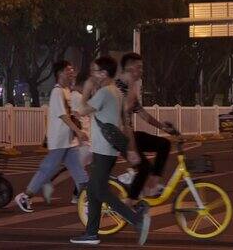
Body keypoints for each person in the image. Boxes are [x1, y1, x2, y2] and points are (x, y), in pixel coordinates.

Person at [70, 56, 150, 246]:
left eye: (95, 71)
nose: (92, 74)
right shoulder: (115, 92)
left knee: (99, 190)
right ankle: (91, 233)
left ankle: (135, 218)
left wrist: (87, 89)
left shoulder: (105, 92)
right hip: (107, 148)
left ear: (104, 73)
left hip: (103, 149)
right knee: (92, 190)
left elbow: (81, 110)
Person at [15, 61, 89, 213]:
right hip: (59, 140)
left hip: (69, 141)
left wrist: (77, 120)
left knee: (79, 172)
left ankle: (87, 200)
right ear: (60, 73)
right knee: (47, 170)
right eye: (69, 70)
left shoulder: (67, 91)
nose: (72, 73)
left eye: (72, 70)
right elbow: (63, 116)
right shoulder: (57, 92)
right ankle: (25, 196)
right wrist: (79, 131)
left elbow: (70, 113)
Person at [115, 53, 173, 204]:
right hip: (119, 137)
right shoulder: (118, 88)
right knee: (144, 167)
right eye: (139, 67)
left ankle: (152, 187)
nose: (141, 70)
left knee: (164, 144)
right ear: (129, 67)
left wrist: (163, 127)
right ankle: (128, 204)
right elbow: (123, 114)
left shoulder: (130, 87)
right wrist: (131, 148)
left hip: (129, 135)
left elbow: (143, 115)